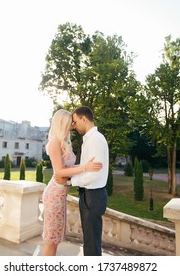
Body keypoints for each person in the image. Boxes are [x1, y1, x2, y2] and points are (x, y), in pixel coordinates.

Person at [42, 109, 103, 256]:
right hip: (54, 193)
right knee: (51, 239)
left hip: (61, 193)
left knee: (56, 238)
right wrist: (84, 167)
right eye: (71, 122)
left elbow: (67, 168)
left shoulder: (64, 142)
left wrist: (85, 167)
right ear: (62, 122)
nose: (73, 125)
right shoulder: (53, 143)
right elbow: (59, 172)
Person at [70, 106, 109, 256]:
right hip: (89, 195)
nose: (74, 126)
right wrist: (71, 171)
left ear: (83, 119)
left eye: (75, 122)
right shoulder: (90, 139)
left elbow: (94, 175)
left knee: (92, 244)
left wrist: (71, 182)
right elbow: (87, 168)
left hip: (93, 196)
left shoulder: (95, 140)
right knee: (89, 241)